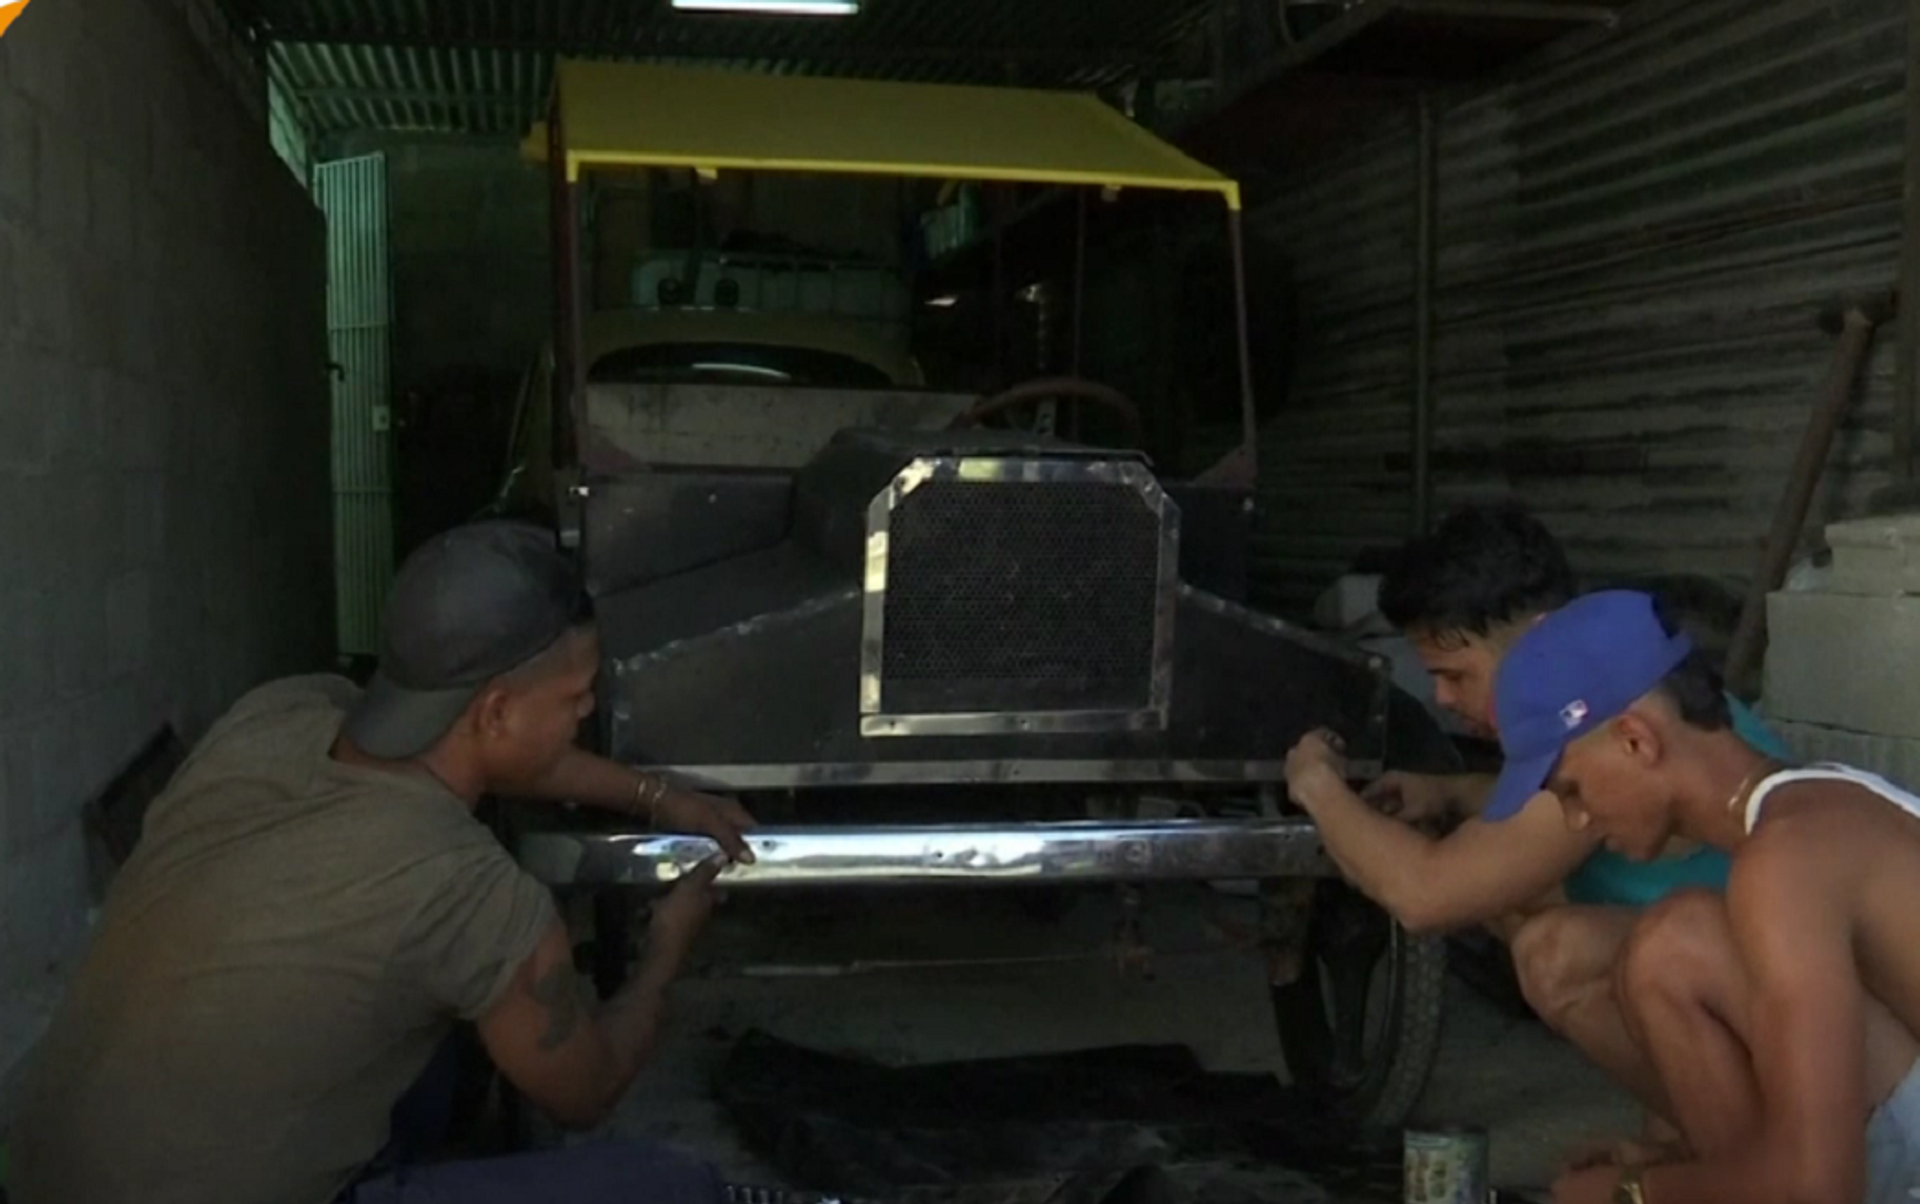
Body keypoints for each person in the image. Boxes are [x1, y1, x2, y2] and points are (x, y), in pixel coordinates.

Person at [11, 520, 759, 1204]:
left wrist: (662, 799)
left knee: (439, 1041)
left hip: (36, 1173)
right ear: (497, 711)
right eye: (575, 696)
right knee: (669, 1187)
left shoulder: (278, 716)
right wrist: (665, 951)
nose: (586, 713)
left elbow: (487, 756)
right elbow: (587, 1092)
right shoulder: (472, 894)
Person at [1282, 503, 1792, 1120]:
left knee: (1554, 952)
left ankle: (1731, 1136)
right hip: (1758, 968)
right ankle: (1710, 1120)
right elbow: (1532, 816)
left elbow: (1426, 894)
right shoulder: (1627, 694)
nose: (1442, 697)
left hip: (1794, 1001)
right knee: (1509, 893)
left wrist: (1316, 785)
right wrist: (1449, 793)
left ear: (1540, 638)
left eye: (1457, 675)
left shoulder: (1601, 730)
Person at [1474, 590, 1920, 1204]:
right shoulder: (1822, 799)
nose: (1577, 819)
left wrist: (1632, 1192)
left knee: (1673, 947)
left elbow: (1818, 1188)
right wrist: (1679, 1170)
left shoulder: (1785, 859)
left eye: (1571, 788)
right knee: (1679, 941)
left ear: (1636, 741)